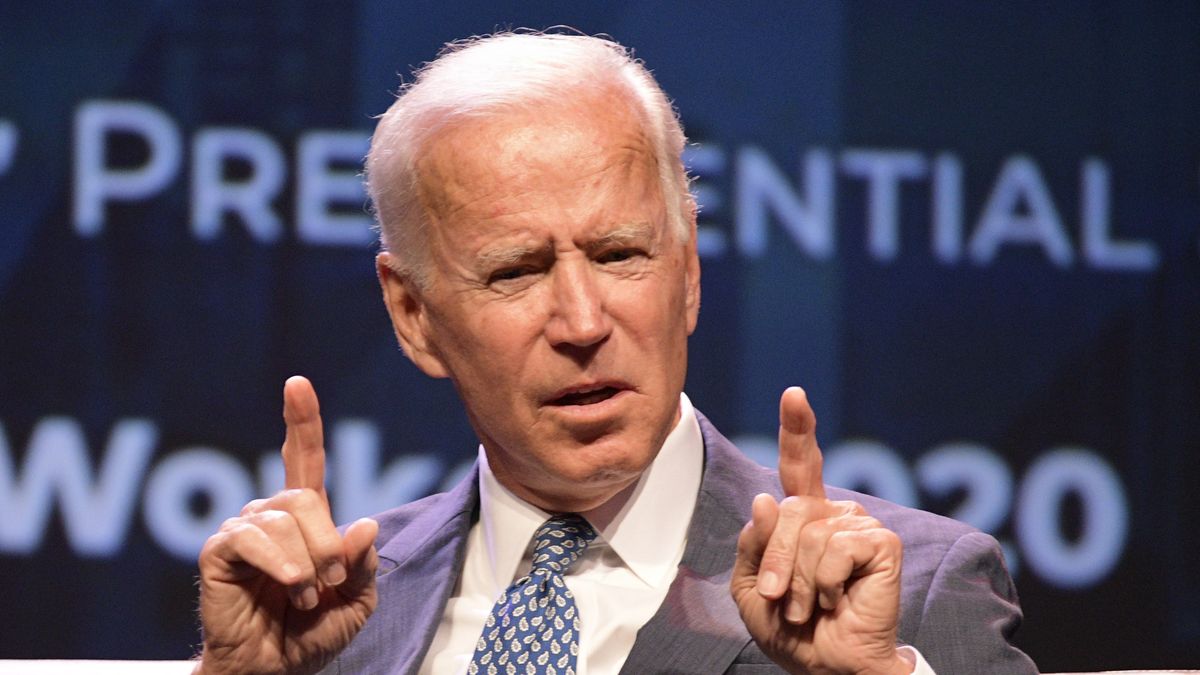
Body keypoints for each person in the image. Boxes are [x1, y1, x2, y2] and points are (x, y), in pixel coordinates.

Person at [193, 32, 1038, 675]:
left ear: (689, 271)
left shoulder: (910, 597)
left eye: (620, 254)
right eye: (516, 271)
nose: (583, 320)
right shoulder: (326, 621)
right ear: (413, 314)